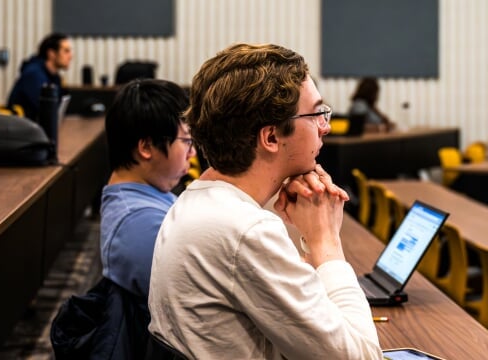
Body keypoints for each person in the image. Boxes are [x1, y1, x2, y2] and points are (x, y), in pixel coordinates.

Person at [147, 43, 381, 359]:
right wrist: (327, 243)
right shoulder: (244, 230)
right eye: (316, 114)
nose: (325, 127)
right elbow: (362, 356)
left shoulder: (197, 201)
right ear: (271, 137)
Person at [100, 78, 194, 299]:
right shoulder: (141, 225)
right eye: (187, 141)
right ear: (146, 147)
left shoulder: (146, 198)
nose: (193, 153)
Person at [7, 33, 72, 121]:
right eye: (66, 51)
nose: (70, 56)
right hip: (23, 129)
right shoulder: (33, 75)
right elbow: (46, 110)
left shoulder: (55, 77)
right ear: (51, 53)